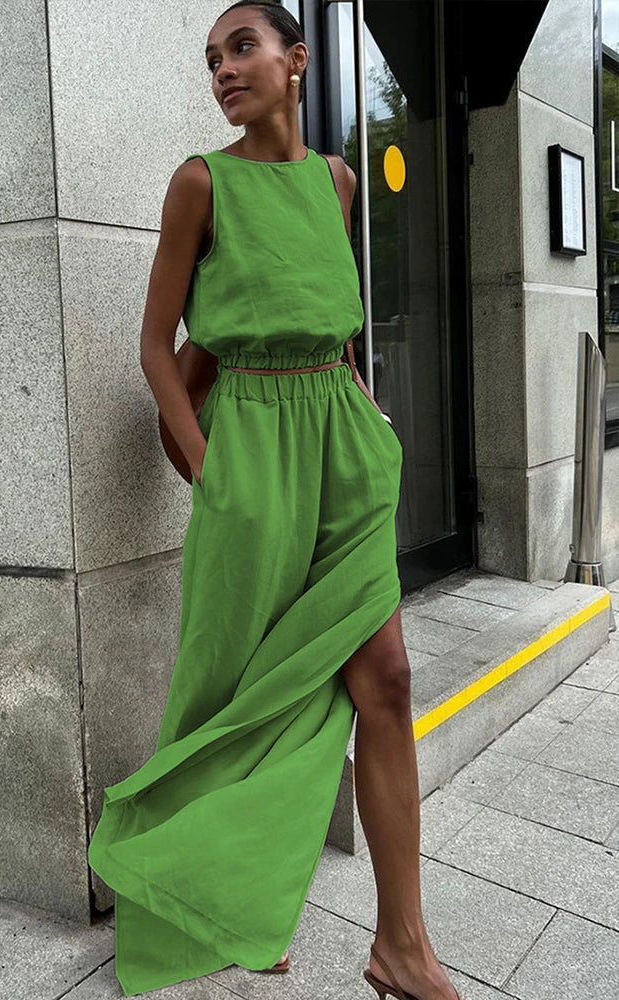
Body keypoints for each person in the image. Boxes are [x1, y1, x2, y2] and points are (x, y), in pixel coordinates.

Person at [87, 3, 462, 998]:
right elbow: (159, 347)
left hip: (343, 454)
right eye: (211, 58)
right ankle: (219, 908)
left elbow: (319, 312)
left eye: (242, 47)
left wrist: (366, 405)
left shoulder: (337, 181)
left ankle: (402, 944)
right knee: (233, 695)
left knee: (385, 679)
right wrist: (212, 471)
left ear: (298, 60)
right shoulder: (200, 184)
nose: (223, 68)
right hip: (252, 467)